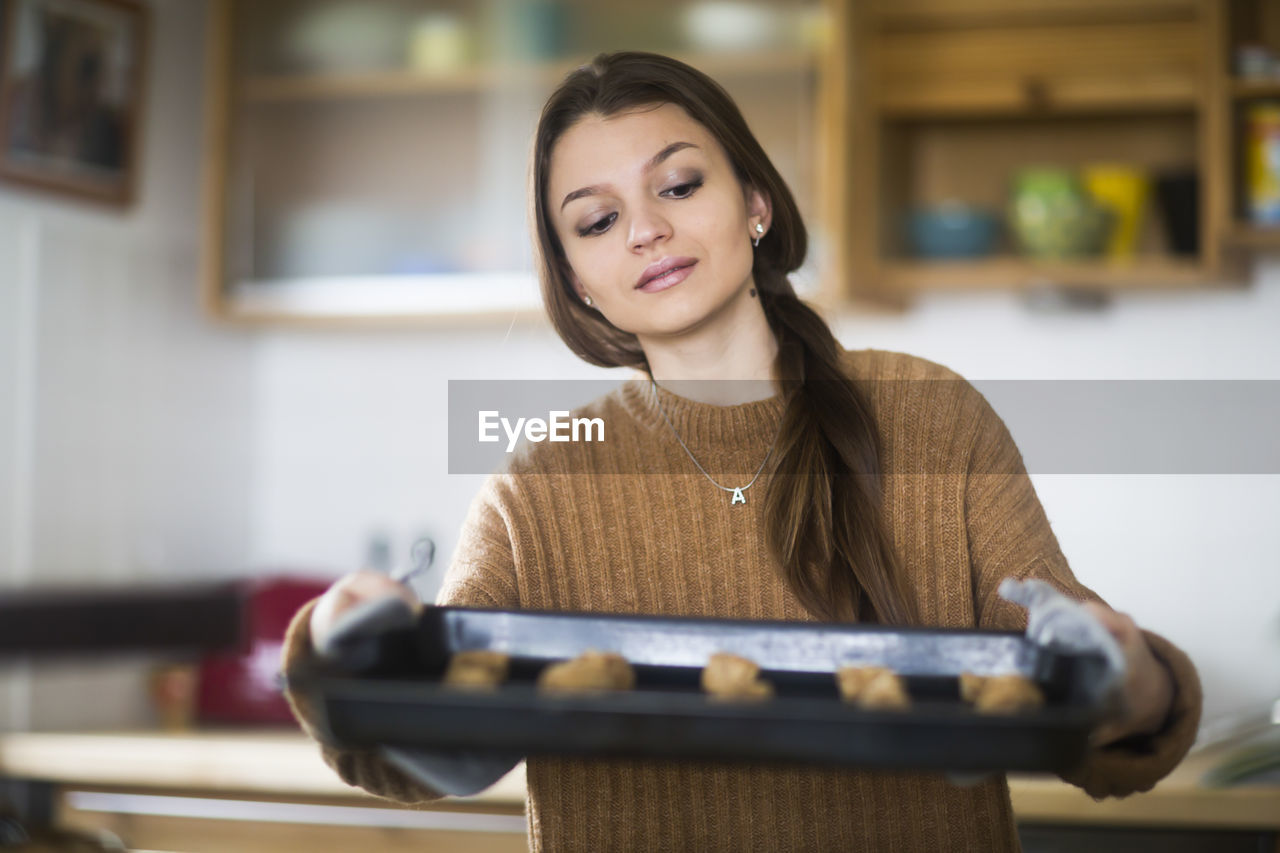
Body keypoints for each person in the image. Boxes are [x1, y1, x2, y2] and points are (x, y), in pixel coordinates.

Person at [282, 52, 1201, 852]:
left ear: (755, 202)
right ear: (576, 280)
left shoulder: (928, 416)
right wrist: (346, 657)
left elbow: (1096, 705)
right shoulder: (543, 480)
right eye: (596, 221)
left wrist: (1134, 681)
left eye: (679, 186)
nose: (646, 230)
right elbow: (437, 749)